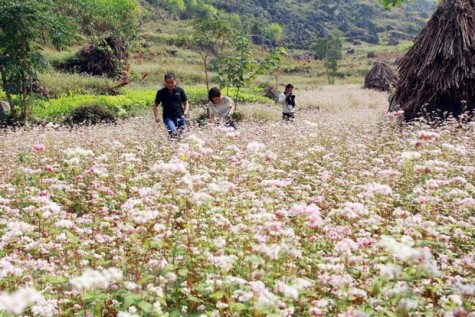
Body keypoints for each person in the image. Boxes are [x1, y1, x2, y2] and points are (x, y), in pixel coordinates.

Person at [153, 72, 189, 138]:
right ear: (165, 82)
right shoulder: (161, 92)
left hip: (180, 116)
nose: (170, 84)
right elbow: (155, 105)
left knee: (182, 135)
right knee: (173, 132)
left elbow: (186, 102)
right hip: (168, 117)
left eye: (172, 82)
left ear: (175, 81)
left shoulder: (180, 91)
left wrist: (185, 112)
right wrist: (156, 116)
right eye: (167, 82)